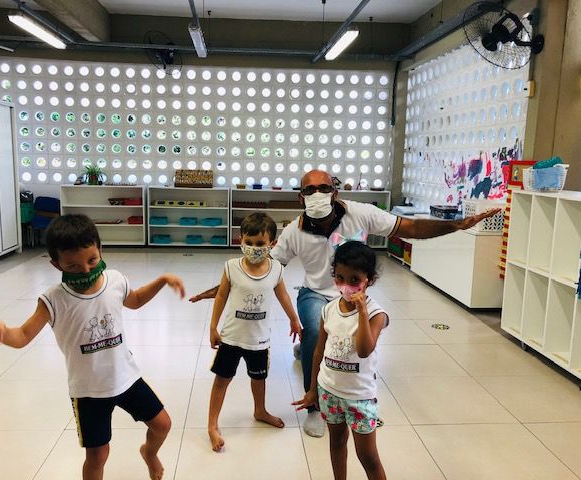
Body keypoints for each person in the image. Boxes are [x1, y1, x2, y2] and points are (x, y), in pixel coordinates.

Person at [191, 169, 500, 437]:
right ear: (301, 197)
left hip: (353, 292)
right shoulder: (294, 231)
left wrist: (457, 225)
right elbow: (261, 270)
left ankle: (355, 394)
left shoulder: (360, 213)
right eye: (309, 190)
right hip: (314, 293)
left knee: (357, 341)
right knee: (316, 330)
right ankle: (314, 405)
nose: (317, 194)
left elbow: (411, 228)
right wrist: (219, 289)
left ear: (335, 192)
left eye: (324, 188)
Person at [0, 214, 185, 480]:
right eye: (73, 266)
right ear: (56, 264)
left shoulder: (115, 280)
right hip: (88, 391)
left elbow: (135, 300)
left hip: (127, 377)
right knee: (98, 455)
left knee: (163, 424)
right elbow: (23, 335)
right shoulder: (53, 299)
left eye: (92, 260)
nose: (86, 270)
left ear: (100, 250)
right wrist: (3, 332)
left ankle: (149, 453)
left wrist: (162, 280)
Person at [293, 241, 389, 480]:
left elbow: (364, 350)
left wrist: (362, 312)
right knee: (336, 443)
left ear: (369, 280)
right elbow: (319, 351)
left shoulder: (376, 314)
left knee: (368, 456)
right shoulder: (329, 309)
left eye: (354, 280)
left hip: (359, 397)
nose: (346, 286)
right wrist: (313, 390)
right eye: (340, 278)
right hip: (329, 391)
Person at [208, 212, 302, 452]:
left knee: (259, 379)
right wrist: (213, 326)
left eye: (260, 243)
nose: (253, 248)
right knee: (222, 380)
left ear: (272, 243)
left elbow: (283, 295)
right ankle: (212, 424)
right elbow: (221, 296)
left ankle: (260, 411)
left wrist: (294, 319)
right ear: (241, 239)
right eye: (248, 242)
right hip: (231, 337)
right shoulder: (231, 267)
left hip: (259, 339)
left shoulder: (276, 269)